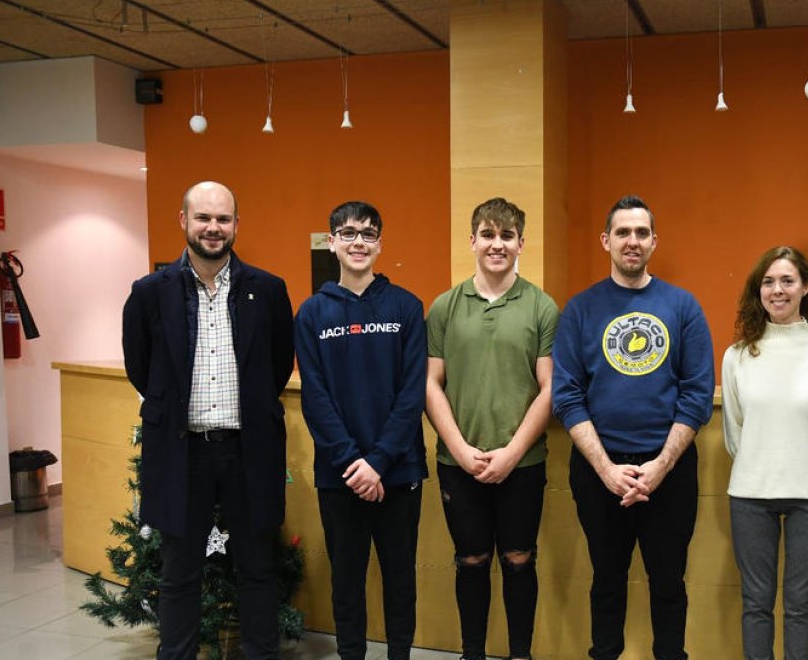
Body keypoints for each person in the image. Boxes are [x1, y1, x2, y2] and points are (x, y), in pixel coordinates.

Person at [121, 181, 294, 660]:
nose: (213, 228)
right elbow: (141, 365)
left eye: (223, 219)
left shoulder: (268, 289)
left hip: (248, 451)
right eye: (204, 218)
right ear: (184, 221)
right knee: (179, 573)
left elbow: (277, 366)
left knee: (257, 567)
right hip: (182, 452)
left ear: (237, 225)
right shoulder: (150, 293)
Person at [552, 194, 715, 660]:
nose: (632, 241)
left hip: (670, 470)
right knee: (606, 581)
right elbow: (566, 396)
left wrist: (660, 466)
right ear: (606, 240)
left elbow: (697, 394)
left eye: (642, 232)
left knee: (669, 584)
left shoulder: (683, 307)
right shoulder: (580, 310)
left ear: (654, 242)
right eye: (623, 232)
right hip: (599, 471)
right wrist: (606, 469)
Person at [424, 197, 559, 660]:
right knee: (471, 562)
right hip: (458, 463)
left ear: (522, 243)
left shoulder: (542, 307)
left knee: (520, 561)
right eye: (487, 234)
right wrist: (460, 448)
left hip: (523, 464)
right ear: (472, 241)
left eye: (506, 236)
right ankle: (472, 654)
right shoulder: (444, 306)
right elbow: (430, 383)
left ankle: (520, 653)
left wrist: (511, 454)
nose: (496, 244)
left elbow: (549, 389)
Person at [294, 201, 427, 660]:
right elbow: (316, 397)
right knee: (346, 583)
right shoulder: (311, 314)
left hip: (399, 472)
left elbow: (412, 394)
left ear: (380, 244)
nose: (358, 242)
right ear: (331, 242)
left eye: (368, 234)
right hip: (340, 476)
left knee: (400, 581)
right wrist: (354, 461)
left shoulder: (407, 308)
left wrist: (380, 461)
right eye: (348, 233)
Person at [721, 246, 808, 660]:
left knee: (801, 606)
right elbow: (734, 431)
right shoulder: (737, 356)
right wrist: (764, 461)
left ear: (807, 287)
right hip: (750, 494)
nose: (777, 290)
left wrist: (807, 462)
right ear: (757, 290)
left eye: (787, 281)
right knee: (756, 604)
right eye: (768, 282)